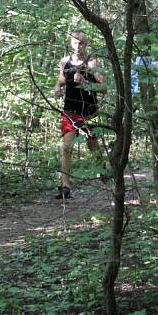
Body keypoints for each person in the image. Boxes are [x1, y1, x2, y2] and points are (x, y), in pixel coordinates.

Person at [53, 30, 106, 200]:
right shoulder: (65, 62)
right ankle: (65, 187)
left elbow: (103, 89)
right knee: (66, 147)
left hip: (89, 112)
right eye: (76, 42)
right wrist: (57, 88)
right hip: (70, 111)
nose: (78, 46)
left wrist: (86, 82)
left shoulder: (92, 63)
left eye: (82, 43)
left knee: (92, 145)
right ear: (70, 43)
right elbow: (61, 80)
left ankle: (103, 170)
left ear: (86, 44)